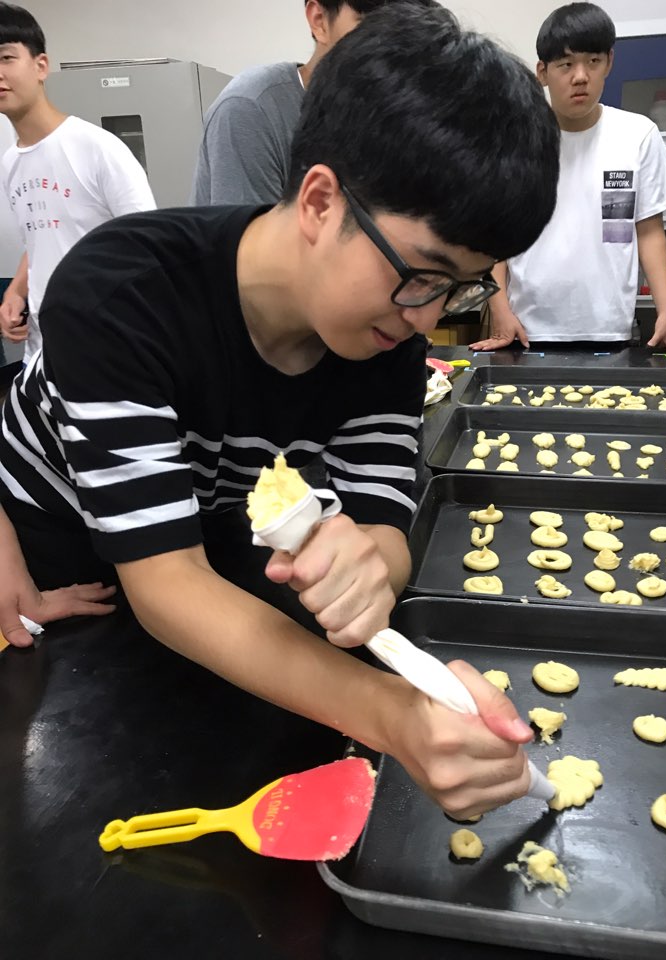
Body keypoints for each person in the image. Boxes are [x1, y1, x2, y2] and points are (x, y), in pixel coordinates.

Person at [0, 5, 560, 817]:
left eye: (460, 288)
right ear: (321, 202)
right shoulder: (125, 291)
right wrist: (393, 716)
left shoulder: (382, 331)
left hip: (185, 543)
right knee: (64, 791)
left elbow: (379, 518)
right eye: (422, 275)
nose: (426, 318)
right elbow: (168, 586)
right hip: (48, 549)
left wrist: (369, 570)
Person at [470, 1, 666, 352]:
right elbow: (496, 239)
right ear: (543, 72)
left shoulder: (637, 135)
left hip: (610, 329)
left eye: (593, 61)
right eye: (566, 64)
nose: (581, 76)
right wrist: (500, 310)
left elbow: (648, 230)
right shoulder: (516, 139)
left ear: (609, 62)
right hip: (528, 331)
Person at [0, 2, 156, 364]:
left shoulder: (97, 148)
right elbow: (44, 237)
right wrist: (16, 291)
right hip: (42, 351)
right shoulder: (10, 162)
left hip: (105, 347)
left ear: (41, 65)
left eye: (6, 57)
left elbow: (150, 246)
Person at [190, 0, 435, 206]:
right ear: (319, 20)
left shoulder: (385, 116)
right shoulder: (251, 108)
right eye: (372, 26)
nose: (391, 48)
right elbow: (249, 246)